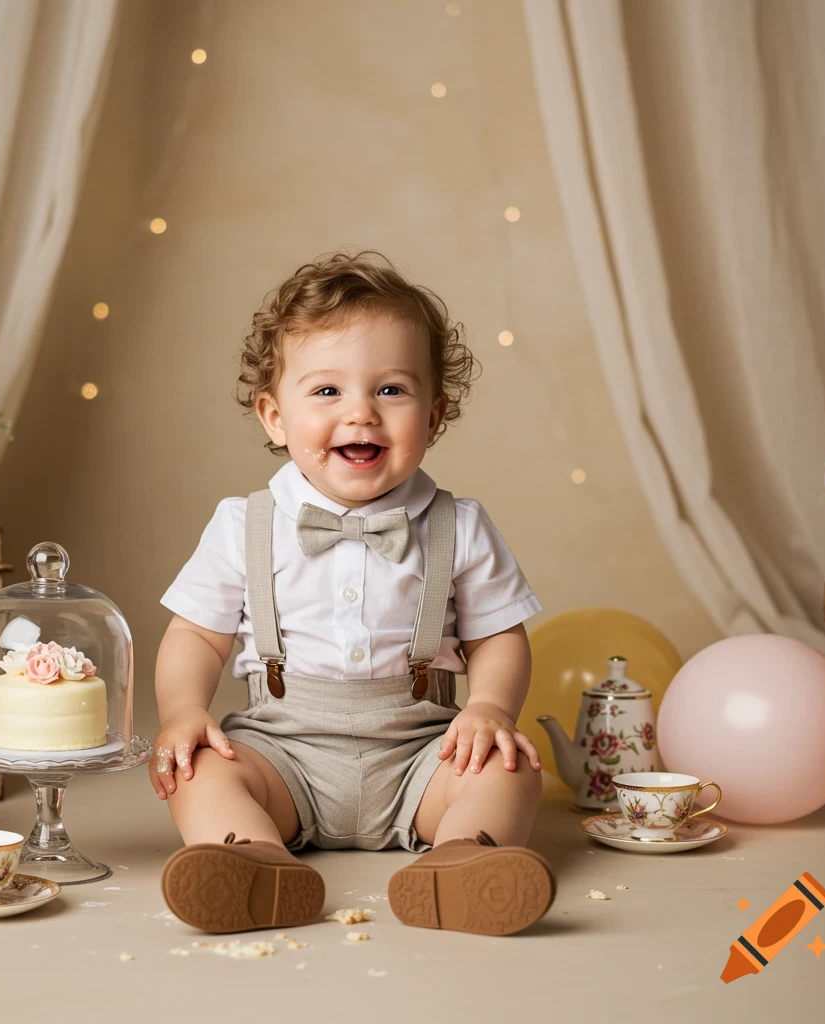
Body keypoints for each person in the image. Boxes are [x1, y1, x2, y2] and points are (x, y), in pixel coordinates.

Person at [152, 250, 556, 936]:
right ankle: (251, 858)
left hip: (423, 753)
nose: (361, 414)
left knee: (507, 769)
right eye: (327, 391)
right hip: (284, 752)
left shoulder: (459, 525)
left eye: (392, 390)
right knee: (201, 772)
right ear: (274, 417)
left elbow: (499, 638)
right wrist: (183, 711)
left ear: (434, 415)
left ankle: (465, 859)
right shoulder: (242, 523)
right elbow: (196, 633)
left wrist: (489, 707)